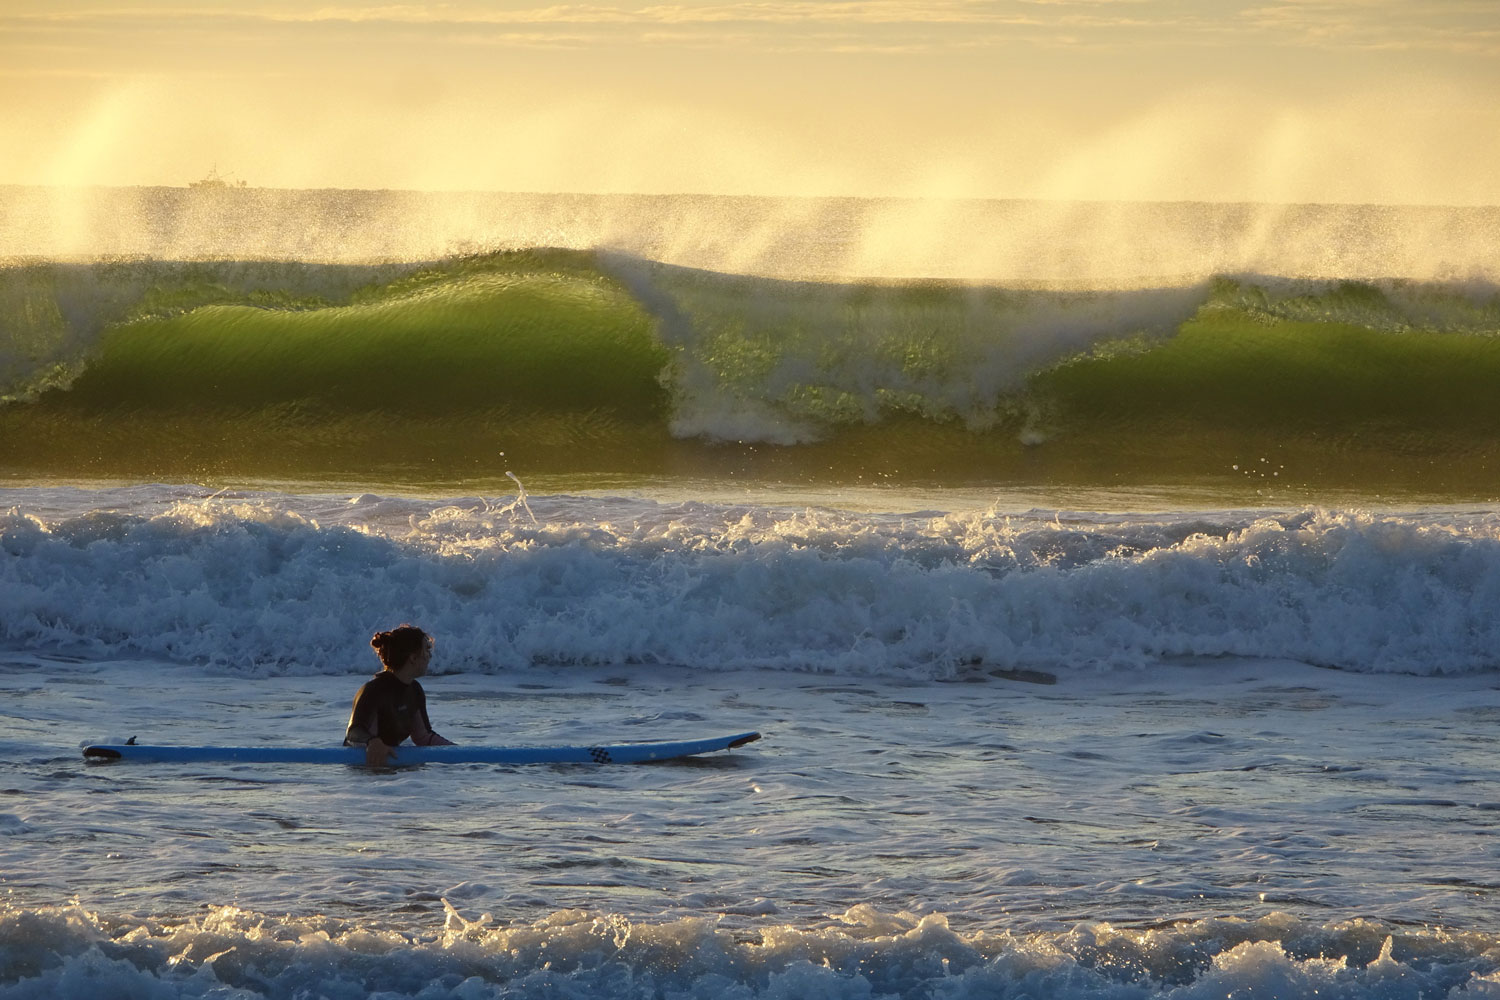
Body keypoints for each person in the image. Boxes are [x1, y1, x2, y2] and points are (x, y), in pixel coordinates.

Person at [344, 624, 455, 766]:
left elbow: (423, 737)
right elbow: (353, 732)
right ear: (413, 658)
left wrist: (460, 752)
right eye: (426, 650)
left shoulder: (414, 690)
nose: (430, 656)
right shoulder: (373, 690)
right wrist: (372, 741)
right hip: (364, 771)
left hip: (393, 772)